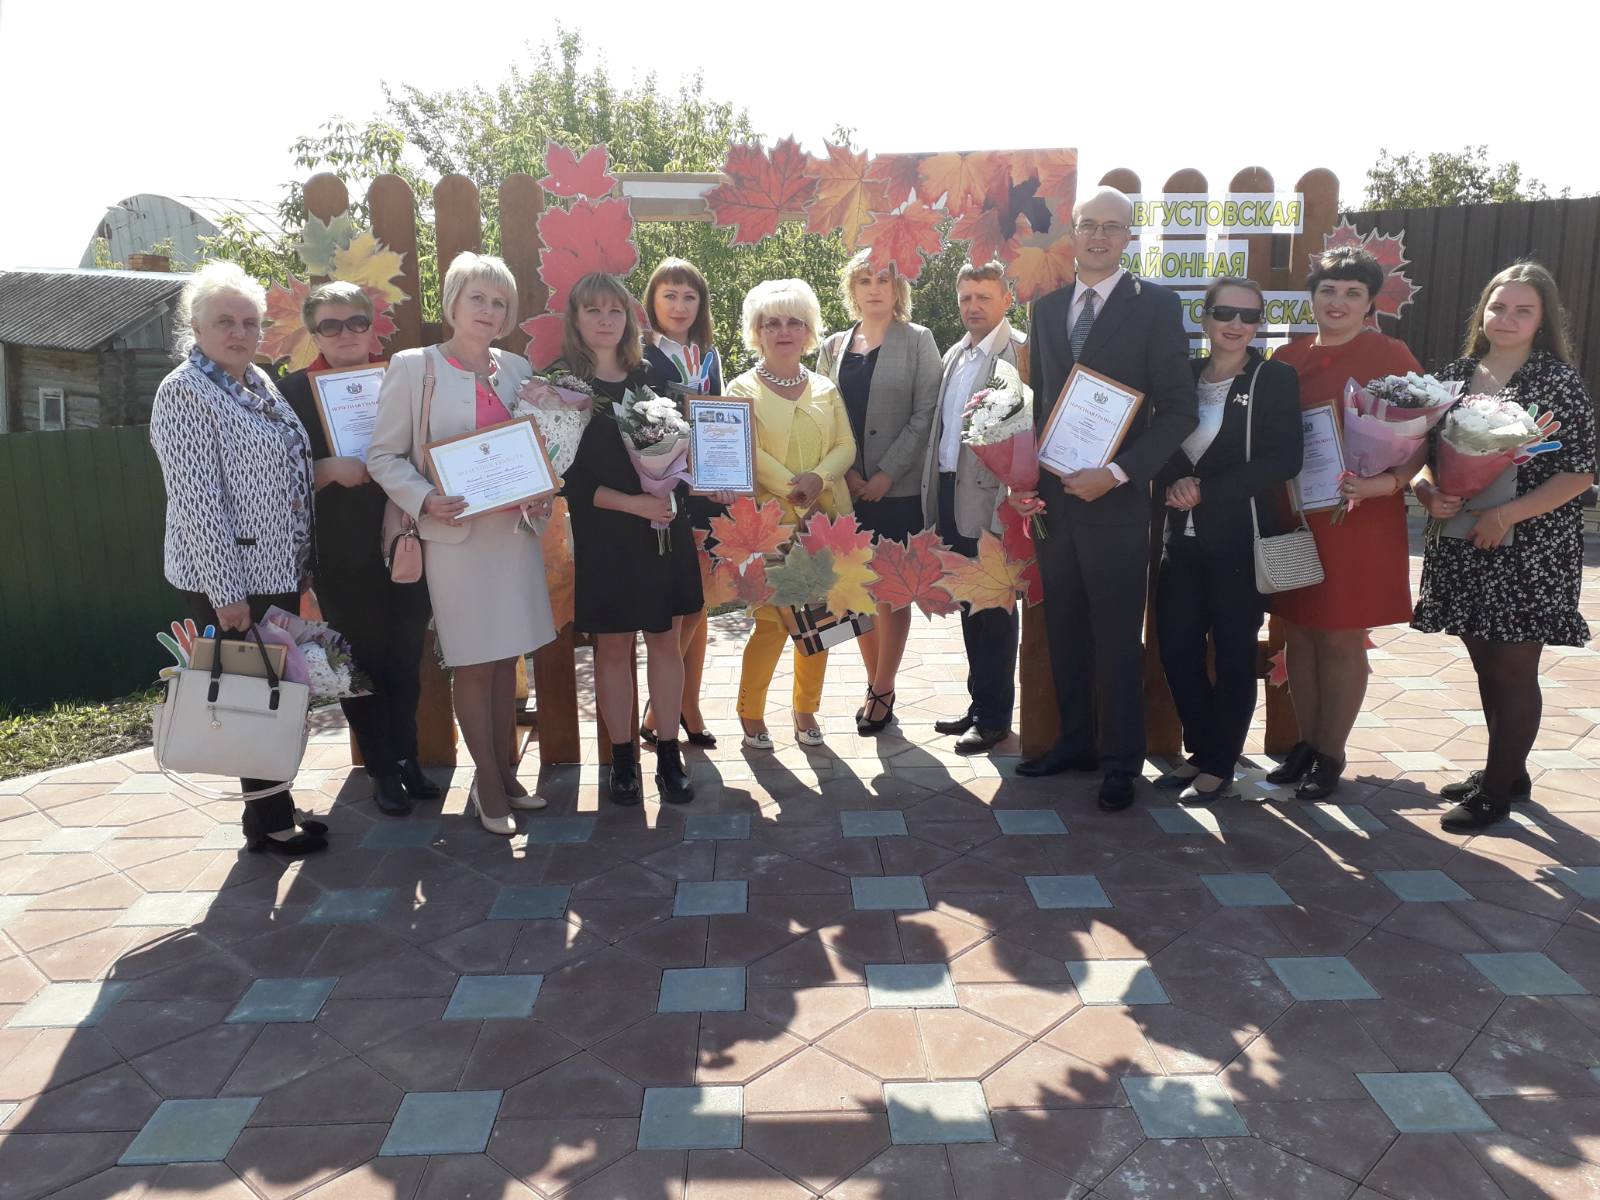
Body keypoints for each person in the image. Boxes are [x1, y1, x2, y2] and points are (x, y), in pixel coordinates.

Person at [1009, 186, 1198, 811]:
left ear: (1128, 237)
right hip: (1055, 500)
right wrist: (1023, 477)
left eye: (1111, 227)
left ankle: (1121, 762)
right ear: (1072, 231)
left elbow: (1179, 410)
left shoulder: (1157, 306)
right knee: (1063, 627)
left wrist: (1118, 473)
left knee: (1117, 636)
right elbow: (1043, 403)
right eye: (1088, 224)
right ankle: (1075, 743)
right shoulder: (1047, 308)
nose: (1098, 236)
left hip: (1116, 501)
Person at [367, 253, 556, 835]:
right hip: (455, 539)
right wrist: (425, 498)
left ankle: (503, 774)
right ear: (452, 301)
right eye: (478, 297)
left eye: (500, 302)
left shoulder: (517, 369)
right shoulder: (414, 367)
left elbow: (536, 451)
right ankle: (489, 785)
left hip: (513, 538)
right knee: (474, 664)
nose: (489, 310)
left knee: (505, 661)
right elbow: (382, 456)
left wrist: (541, 495)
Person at [149, 262, 327, 855]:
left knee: (272, 689)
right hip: (231, 577)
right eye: (224, 321)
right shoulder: (184, 392)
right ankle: (269, 822)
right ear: (196, 326)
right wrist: (227, 594)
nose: (239, 332)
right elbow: (197, 502)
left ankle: (272, 802)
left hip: (275, 568)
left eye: (250, 322)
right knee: (252, 697)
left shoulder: (256, 382)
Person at [1412, 262, 1596, 831]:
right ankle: (1507, 771)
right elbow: (1421, 456)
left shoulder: (1556, 381)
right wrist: (1428, 492)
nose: (1507, 318)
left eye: (1523, 309)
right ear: (1483, 313)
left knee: (1513, 670)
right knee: (1486, 666)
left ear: (1542, 320)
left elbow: (1579, 473)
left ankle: (1494, 793)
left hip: (1530, 545)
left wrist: (1506, 514)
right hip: (1464, 537)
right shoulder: (1453, 377)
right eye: (1498, 307)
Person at [278, 281, 439, 818]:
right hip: (340, 553)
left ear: (372, 327)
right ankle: (382, 769)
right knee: (360, 665)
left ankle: (408, 759)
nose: (345, 333)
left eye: (356, 322)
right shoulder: (291, 394)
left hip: (406, 540)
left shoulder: (400, 379)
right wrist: (325, 470)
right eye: (330, 325)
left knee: (405, 657)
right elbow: (272, 476)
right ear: (313, 332)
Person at [1268, 247, 1421, 800]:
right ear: (1312, 297)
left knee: (1340, 637)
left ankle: (1331, 753)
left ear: (1369, 303)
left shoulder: (1390, 354)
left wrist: (1391, 483)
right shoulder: (1286, 358)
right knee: (1300, 631)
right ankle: (1306, 744)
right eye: (1328, 290)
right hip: (1296, 514)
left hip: (1359, 514)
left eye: (1353, 293)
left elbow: (1422, 434)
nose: (1338, 302)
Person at [550, 271, 702, 807]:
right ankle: (621, 760)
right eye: (593, 310)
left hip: (662, 528)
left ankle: (668, 754)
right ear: (575, 319)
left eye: (615, 310)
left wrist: (693, 481)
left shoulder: (652, 373)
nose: (605, 320)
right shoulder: (563, 386)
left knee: (665, 643)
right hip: (606, 534)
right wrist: (635, 503)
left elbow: (687, 443)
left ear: (629, 317)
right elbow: (564, 478)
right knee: (613, 649)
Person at [1153, 278, 1303, 804]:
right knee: (1176, 649)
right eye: (1225, 313)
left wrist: (1206, 490)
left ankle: (1219, 763)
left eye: (1249, 315)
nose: (1236, 324)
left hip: (1241, 539)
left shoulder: (1273, 378)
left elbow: (1284, 458)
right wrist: (1173, 481)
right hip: (1181, 541)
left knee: (1236, 655)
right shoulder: (1184, 376)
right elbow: (1161, 442)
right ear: (1204, 317)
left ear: (1259, 324)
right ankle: (1203, 749)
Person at [816, 250, 941, 736]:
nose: (874, 289)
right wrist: (846, 472)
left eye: (883, 280)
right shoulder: (833, 345)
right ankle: (875, 686)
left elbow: (926, 413)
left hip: (899, 490)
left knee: (893, 591)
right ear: (852, 289)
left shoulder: (919, 340)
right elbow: (823, 414)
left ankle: (884, 688)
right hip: (846, 490)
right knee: (860, 592)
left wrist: (887, 473)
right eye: (865, 280)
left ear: (897, 289)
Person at [727, 279, 856, 750]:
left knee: (820, 622)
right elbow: (746, 449)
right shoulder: (740, 388)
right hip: (767, 525)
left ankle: (806, 711)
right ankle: (750, 711)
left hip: (825, 521)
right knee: (771, 624)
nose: (784, 331)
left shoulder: (825, 386)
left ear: (808, 331)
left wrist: (819, 478)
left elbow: (846, 444)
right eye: (772, 323)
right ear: (757, 332)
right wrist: (793, 487)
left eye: (794, 322)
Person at [918, 260, 1026, 753]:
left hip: (993, 502)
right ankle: (978, 704)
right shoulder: (955, 354)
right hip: (950, 494)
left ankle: (995, 717)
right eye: (966, 297)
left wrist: (1010, 503)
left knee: (995, 610)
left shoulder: (1019, 352)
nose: (973, 306)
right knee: (969, 603)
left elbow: (1025, 435)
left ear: (1007, 299)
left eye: (984, 296)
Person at [638, 257, 726, 751]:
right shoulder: (640, 355)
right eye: (669, 295)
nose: (679, 305)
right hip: (664, 494)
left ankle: (684, 705)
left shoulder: (708, 355)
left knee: (700, 606)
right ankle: (668, 707)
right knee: (677, 609)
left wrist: (725, 474)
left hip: (707, 493)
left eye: (690, 296)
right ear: (652, 300)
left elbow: (721, 422)